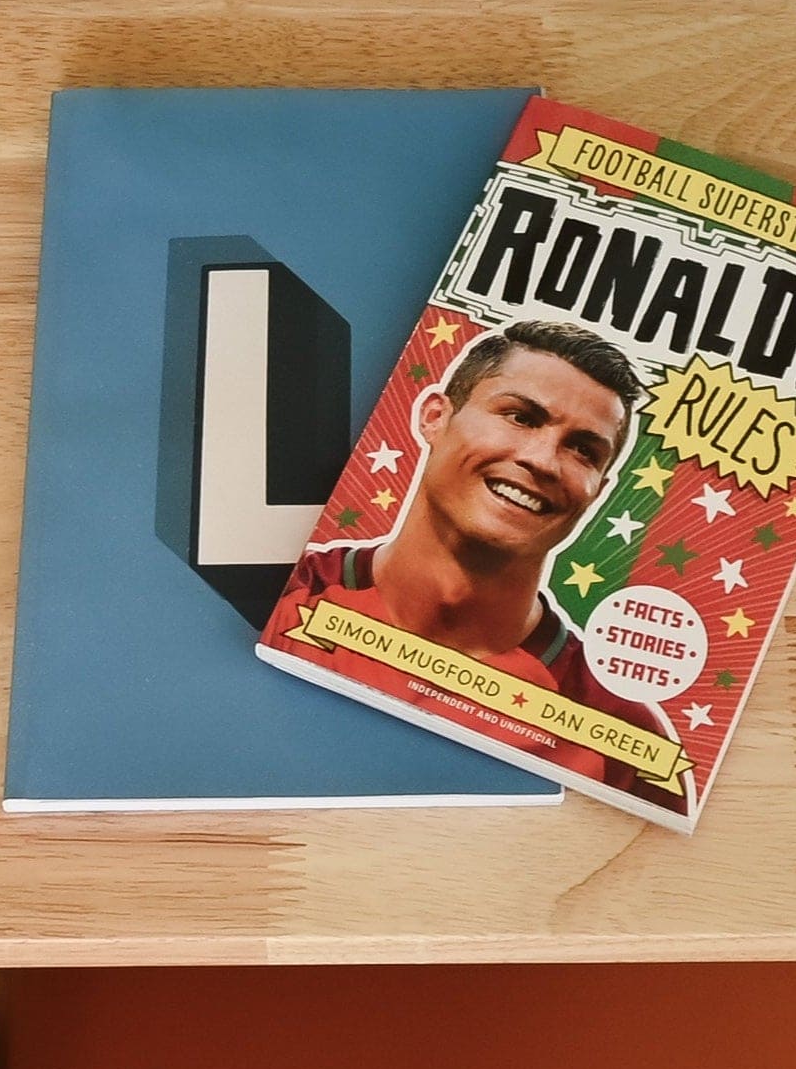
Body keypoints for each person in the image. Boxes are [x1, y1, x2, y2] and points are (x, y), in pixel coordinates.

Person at [283, 316, 685, 811]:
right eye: (520, 416)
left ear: (598, 492)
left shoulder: (624, 739)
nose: (542, 459)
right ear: (434, 416)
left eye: (583, 449)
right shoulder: (283, 594)